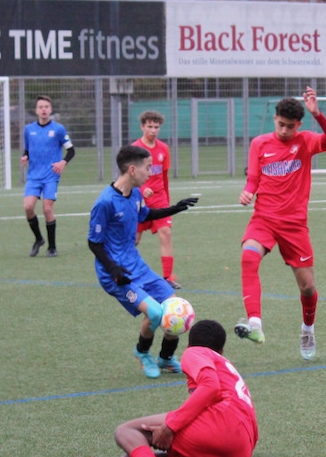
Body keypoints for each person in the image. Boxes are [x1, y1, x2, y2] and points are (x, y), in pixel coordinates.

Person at [235, 86, 326, 360]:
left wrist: (318, 114)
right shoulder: (259, 144)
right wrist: (248, 191)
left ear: (299, 125)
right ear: (274, 119)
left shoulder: (305, 141)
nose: (284, 130)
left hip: (294, 225)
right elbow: (254, 178)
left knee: (307, 287)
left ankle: (307, 329)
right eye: (280, 124)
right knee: (248, 258)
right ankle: (255, 324)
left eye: (290, 126)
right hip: (264, 219)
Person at [88, 144, 198, 379]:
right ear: (132, 170)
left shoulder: (136, 194)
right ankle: (143, 352)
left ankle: (166, 358)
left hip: (136, 266)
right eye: (147, 168)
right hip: (115, 274)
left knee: (174, 306)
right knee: (156, 313)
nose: (150, 173)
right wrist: (114, 269)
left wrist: (174, 209)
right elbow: (94, 243)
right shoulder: (105, 202)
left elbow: (145, 214)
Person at [113, 319, 259, 457]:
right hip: (240, 454)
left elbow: (210, 386)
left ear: (189, 344)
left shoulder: (195, 351)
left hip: (222, 425)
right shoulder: (227, 367)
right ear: (221, 351)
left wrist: (170, 426)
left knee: (126, 431)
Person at [132, 110, 181, 290]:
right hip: (139, 200)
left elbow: (165, 177)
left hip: (159, 199)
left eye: (156, 127)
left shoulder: (163, 149)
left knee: (165, 233)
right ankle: (121, 271)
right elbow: (130, 176)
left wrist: (167, 200)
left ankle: (167, 277)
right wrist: (142, 189)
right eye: (150, 127)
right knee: (133, 239)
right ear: (142, 127)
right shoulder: (135, 149)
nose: (153, 130)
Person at [21, 95, 74, 258]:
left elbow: (71, 151)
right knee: (28, 208)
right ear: (36, 110)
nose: (43, 109)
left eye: (46, 107)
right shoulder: (29, 130)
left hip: (51, 175)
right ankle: (39, 239)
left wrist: (63, 162)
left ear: (50, 110)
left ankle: (52, 247)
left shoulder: (58, 129)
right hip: (33, 176)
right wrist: (25, 157)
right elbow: (27, 150)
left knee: (47, 209)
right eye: (40, 107)